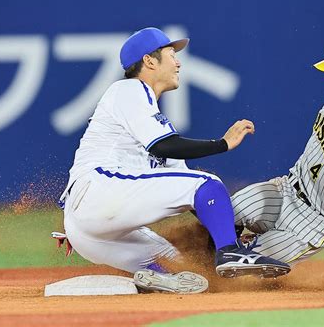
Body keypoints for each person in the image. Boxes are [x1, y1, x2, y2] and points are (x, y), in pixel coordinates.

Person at [58, 27, 290, 294]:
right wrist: (222, 144)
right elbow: (169, 149)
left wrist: (229, 229)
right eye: (171, 54)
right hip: (96, 195)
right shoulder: (129, 90)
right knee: (209, 183)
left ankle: (155, 280)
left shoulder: (149, 118)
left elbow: (190, 195)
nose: (178, 62)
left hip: (89, 232)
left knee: (185, 271)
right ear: (149, 61)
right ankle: (232, 254)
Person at [230, 35, 324, 287]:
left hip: (312, 222)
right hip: (285, 190)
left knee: (246, 267)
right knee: (226, 214)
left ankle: (237, 255)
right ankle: (174, 262)